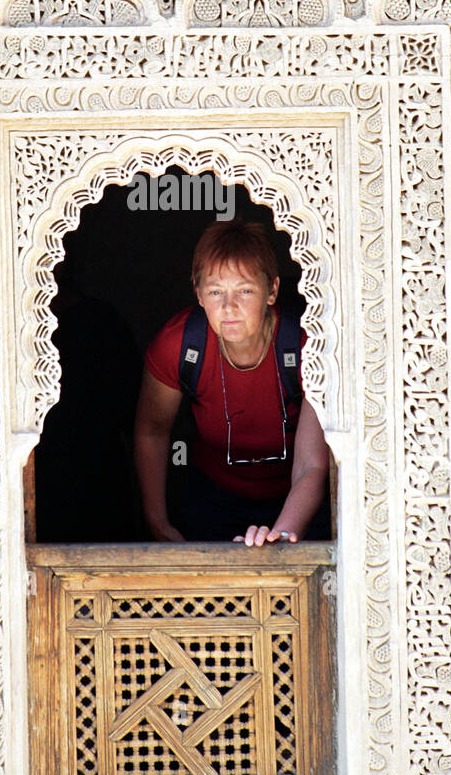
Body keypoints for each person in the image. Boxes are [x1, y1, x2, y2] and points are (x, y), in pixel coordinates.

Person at [134, 219, 334, 544]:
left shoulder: (305, 345)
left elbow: (311, 464)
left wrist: (281, 535)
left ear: (271, 291)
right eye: (215, 291)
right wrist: (158, 523)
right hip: (212, 499)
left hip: (296, 498)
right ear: (198, 294)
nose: (229, 307)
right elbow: (152, 431)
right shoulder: (180, 346)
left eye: (244, 290)